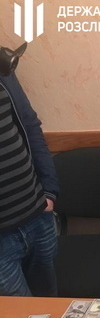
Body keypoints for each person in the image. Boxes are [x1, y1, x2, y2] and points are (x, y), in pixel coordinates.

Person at [0, 44, 59, 296]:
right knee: (20, 317)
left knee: (50, 305)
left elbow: (29, 124)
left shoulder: (3, 68)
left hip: (37, 215)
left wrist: (49, 191)